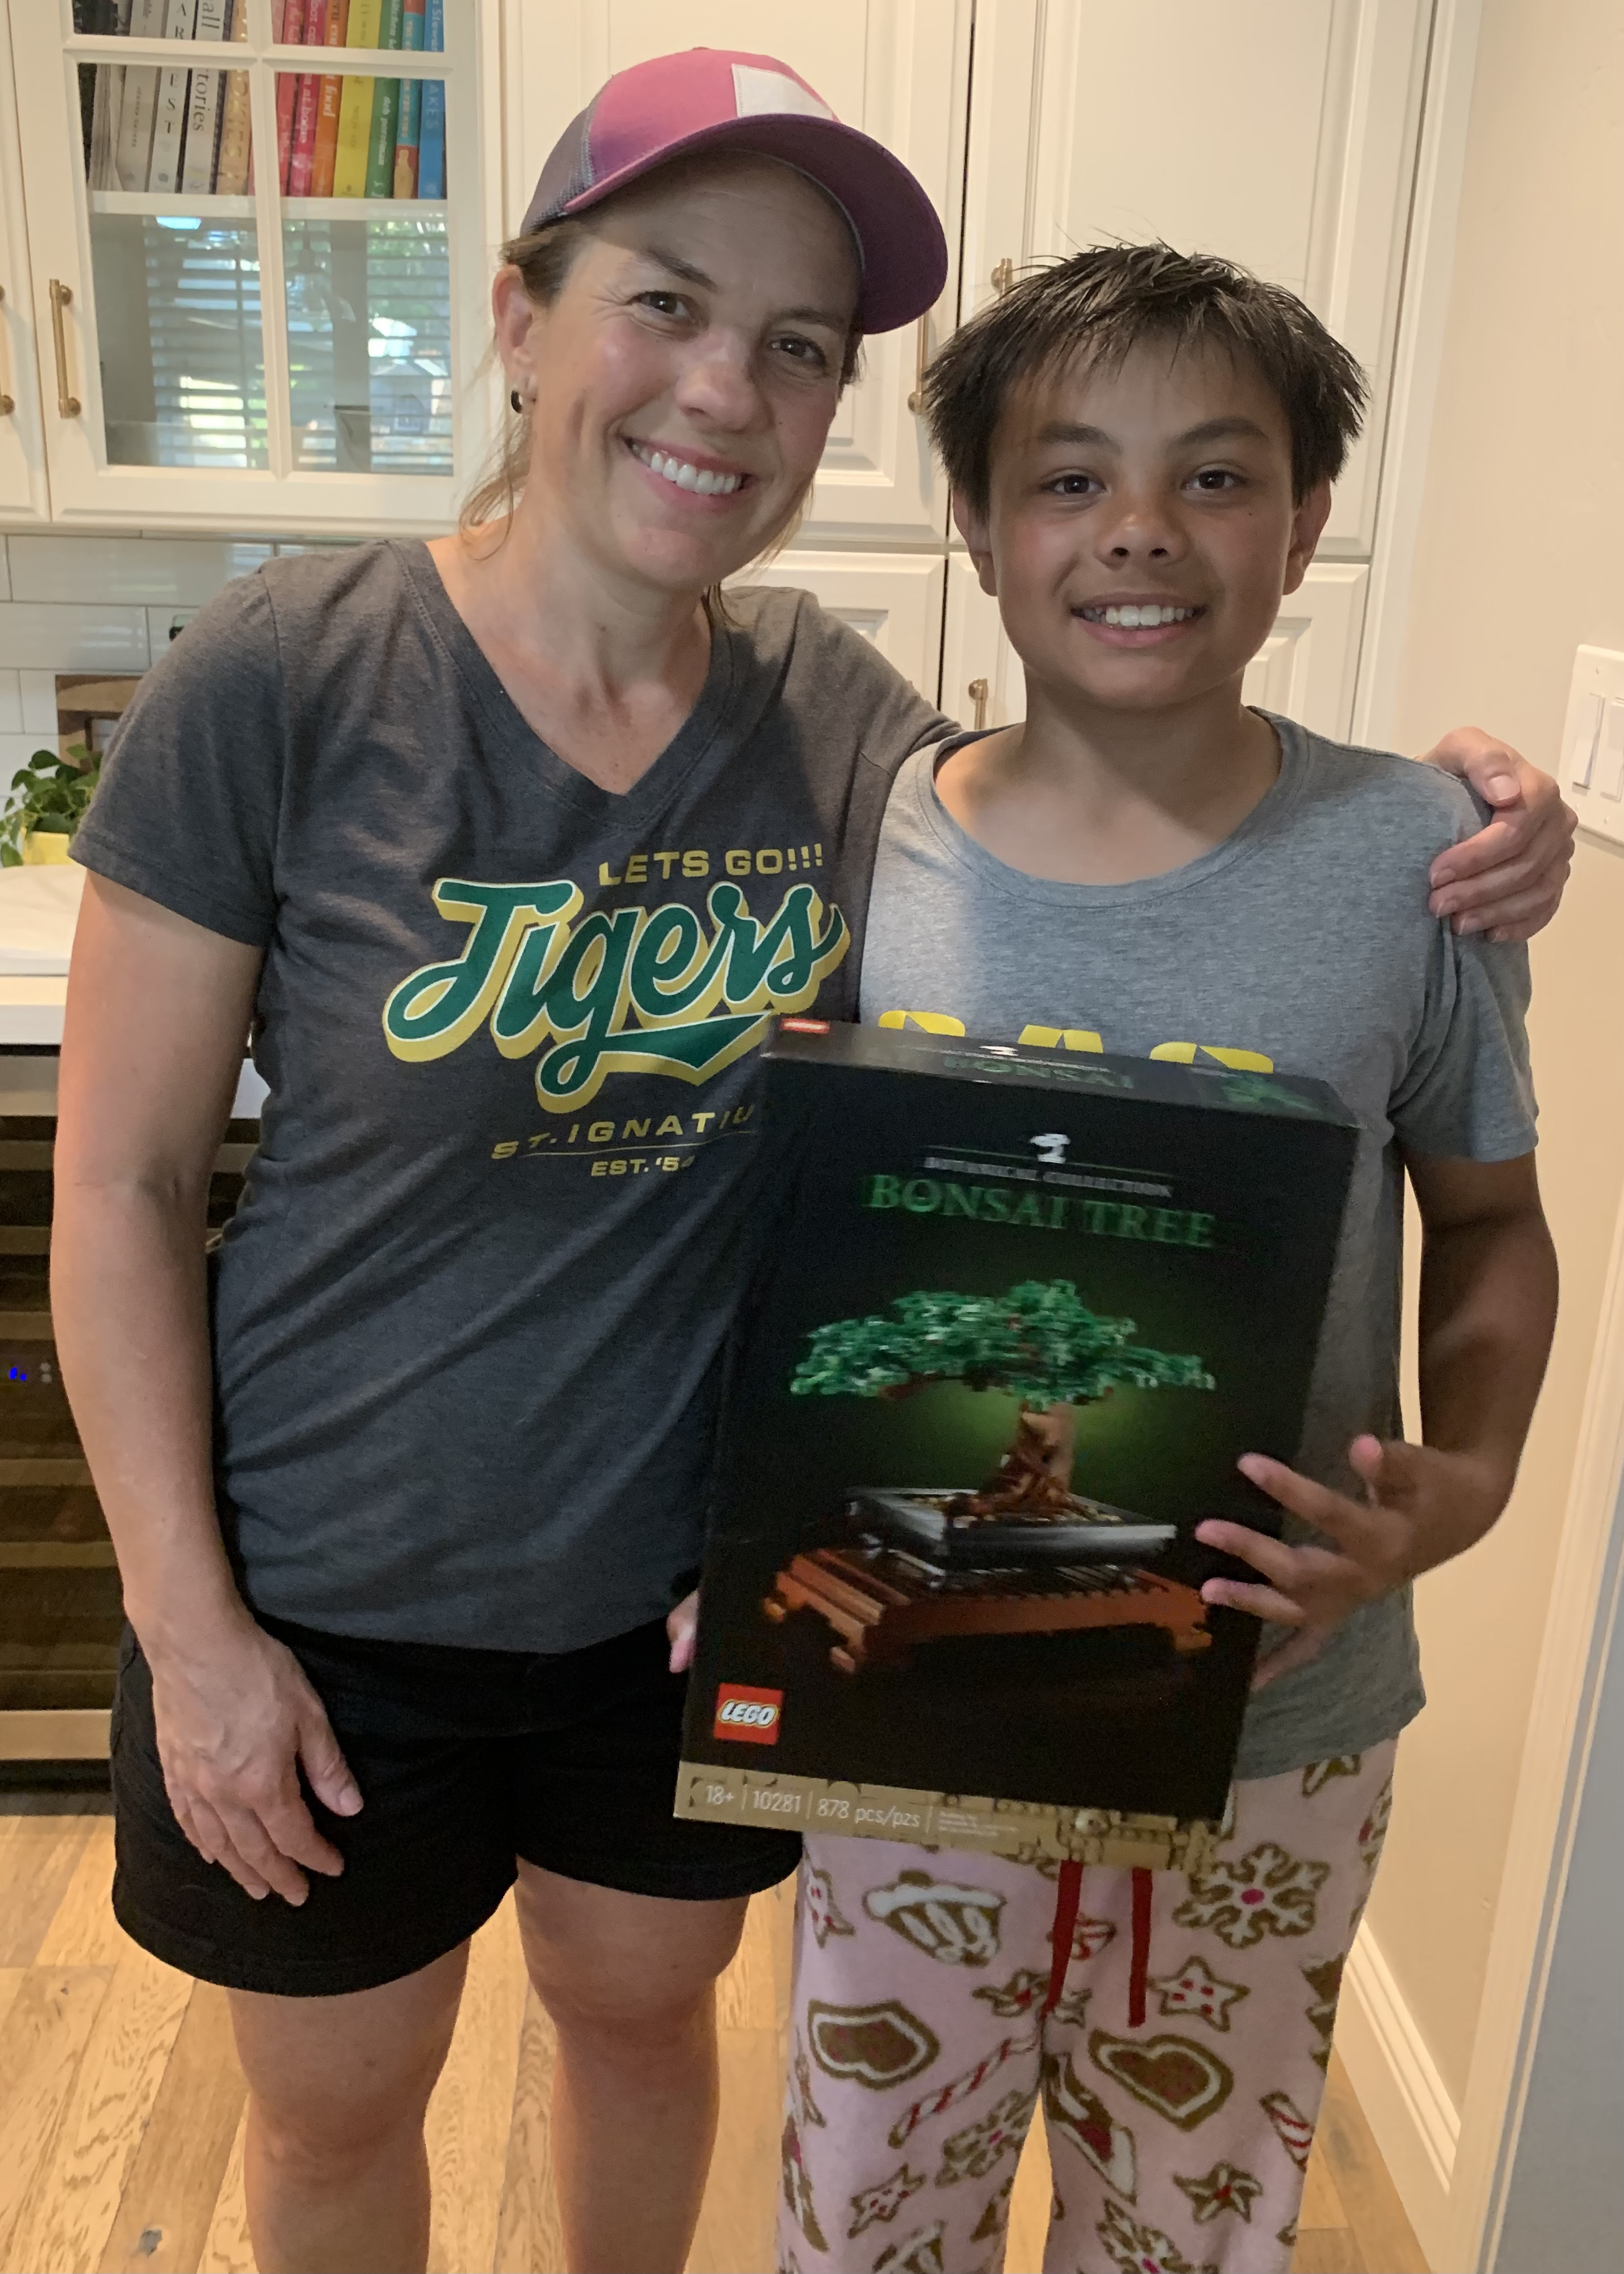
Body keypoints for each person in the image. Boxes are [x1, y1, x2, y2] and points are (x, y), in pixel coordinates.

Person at [50, 41, 1566, 2274]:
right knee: (336, 2109)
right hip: (327, 1588)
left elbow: (1112, 791)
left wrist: (1468, 810)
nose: (723, 389)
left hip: (682, 1593)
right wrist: (187, 1628)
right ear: (520, 316)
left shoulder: (839, 728)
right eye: (664, 303)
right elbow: (116, 1186)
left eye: (793, 344)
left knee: (641, 2028)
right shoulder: (283, 674)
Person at [778, 244, 1559, 2274]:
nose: (1138, 529)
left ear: (1303, 525)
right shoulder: (868, 840)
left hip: (1274, 1711)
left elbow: (1490, 1220)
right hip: (911, 1744)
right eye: (1067, 478)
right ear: (975, 528)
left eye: (1215, 476)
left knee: (1191, 2217)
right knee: (871, 2203)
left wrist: (1464, 1483)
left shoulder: (1414, 862)